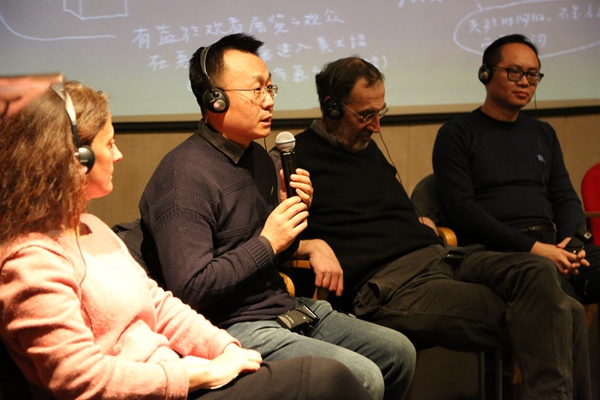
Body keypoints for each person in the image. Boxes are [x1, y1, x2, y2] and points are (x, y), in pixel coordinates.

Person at [0, 80, 374, 400]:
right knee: (327, 378)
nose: (119, 154)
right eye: (109, 143)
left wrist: (224, 348)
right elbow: (80, 380)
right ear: (75, 158)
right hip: (166, 385)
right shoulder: (31, 261)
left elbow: (160, 304)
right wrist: (199, 374)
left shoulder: (90, 226)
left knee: (356, 368)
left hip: (177, 374)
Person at [269, 55, 592, 400]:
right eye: (365, 115)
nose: (376, 126)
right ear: (332, 107)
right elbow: (269, 234)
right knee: (559, 313)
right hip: (391, 284)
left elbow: (384, 207)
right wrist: (312, 245)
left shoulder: (368, 148)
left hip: (443, 256)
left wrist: (416, 217)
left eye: (381, 112)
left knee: (538, 270)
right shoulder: (291, 159)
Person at [139, 33, 416, 400]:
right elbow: (191, 288)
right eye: (256, 90)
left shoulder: (257, 158)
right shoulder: (183, 177)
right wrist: (268, 240)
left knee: (397, 353)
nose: (269, 100)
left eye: (270, 88)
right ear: (215, 99)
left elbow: (271, 256)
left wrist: (290, 217)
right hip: (227, 325)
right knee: (362, 376)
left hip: (282, 306)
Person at [432, 33, 600, 305]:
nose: (525, 82)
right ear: (486, 74)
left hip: (554, 245)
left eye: (533, 75)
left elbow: (564, 196)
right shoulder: (456, 134)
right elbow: (463, 211)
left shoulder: (543, 133)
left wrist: (571, 244)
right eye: (515, 72)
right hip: (498, 251)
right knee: (556, 294)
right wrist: (535, 249)